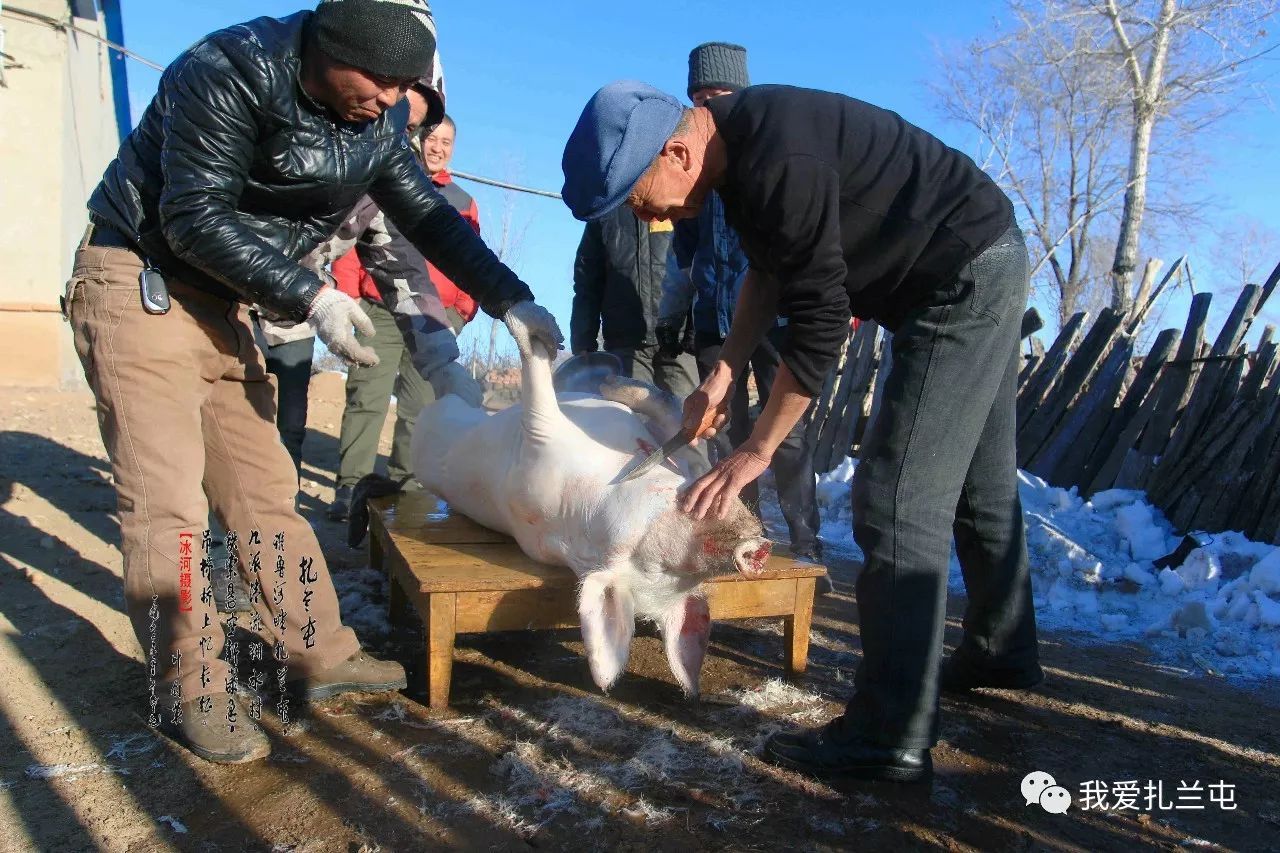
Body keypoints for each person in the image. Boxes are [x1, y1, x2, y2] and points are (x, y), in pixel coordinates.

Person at [64, 0, 562, 765]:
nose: (393, 100)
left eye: (404, 86)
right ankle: (190, 685)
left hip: (223, 301)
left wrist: (509, 297)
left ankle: (319, 651)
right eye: (381, 80)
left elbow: (427, 219)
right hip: (143, 280)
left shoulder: (377, 122)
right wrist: (313, 296)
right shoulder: (229, 70)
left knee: (266, 490)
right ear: (329, 49)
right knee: (169, 505)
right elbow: (192, 214)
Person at [561, 81, 1041, 784]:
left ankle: (889, 736)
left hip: (957, 279)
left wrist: (756, 451)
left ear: (676, 151)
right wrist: (723, 375)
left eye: (640, 197)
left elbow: (819, 330)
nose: (650, 216)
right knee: (981, 479)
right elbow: (768, 272)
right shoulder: (741, 154)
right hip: (981, 258)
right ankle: (1002, 647)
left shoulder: (778, 157)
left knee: (895, 496)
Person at [655, 42, 822, 566]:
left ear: (742, 94)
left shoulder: (769, 157)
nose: (709, 104)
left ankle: (805, 538)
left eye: (719, 93)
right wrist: (674, 311)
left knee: (785, 435)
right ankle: (749, 537)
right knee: (722, 428)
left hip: (775, 317)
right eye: (699, 96)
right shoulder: (692, 162)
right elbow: (683, 251)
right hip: (713, 319)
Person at [326, 111, 481, 521]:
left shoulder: (464, 203)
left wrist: (463, 310)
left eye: (447, 143)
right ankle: (350, 488)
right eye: (433, 139)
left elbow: (473, 259)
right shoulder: (388, 182)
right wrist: (346, 296)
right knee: (367, 398)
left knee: (421, 409)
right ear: (418, 138)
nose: (438, 148)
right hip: (378, 308)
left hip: (436, 320)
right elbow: (355, 239)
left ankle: (408, 492)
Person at [571, 204, 698, 398]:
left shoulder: (675, 201)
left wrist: (694, 330)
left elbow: (698, 268)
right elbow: (586, 281)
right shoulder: (605, 212)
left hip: (678, 341)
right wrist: (583, 340)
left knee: (685, 419)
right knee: (629, 422)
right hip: (626, 344)